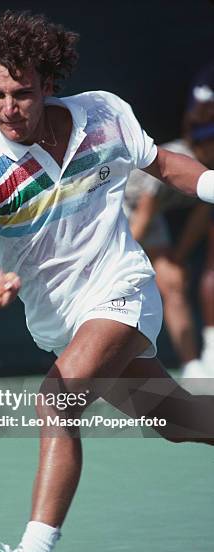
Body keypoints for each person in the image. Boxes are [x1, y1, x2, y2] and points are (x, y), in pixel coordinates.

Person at [0, 11, 214, 552]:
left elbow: (165, 166)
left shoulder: (104, 114)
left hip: (120, 288)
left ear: (48, 83)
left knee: (54, 397)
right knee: (181, 422)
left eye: (21, 92)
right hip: (60, 320)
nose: (8, 107)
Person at [124, 62, 214, 378]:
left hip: (150, 219)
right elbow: (142, 215)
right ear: (202, 143)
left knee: (173, 283)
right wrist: (117, 261)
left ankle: (192, 366)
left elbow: (200, 219)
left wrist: (175, 257)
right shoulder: (174, 159)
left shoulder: (208, 172)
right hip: (119, 214)